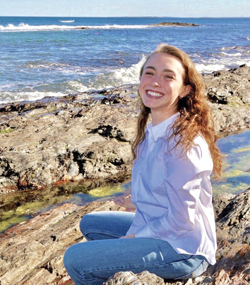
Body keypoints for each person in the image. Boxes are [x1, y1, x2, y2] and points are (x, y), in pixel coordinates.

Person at [63, 44, 222, 285]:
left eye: (168, 76)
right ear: (140, 81)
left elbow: (182, 221)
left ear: (184, 90)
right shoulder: (153, 130)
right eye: (150, 73)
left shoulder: (184, 144)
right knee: (90, 223)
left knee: (75, 259)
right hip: (156, 223)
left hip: (184, 249)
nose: (156, 81)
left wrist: (137, 237)